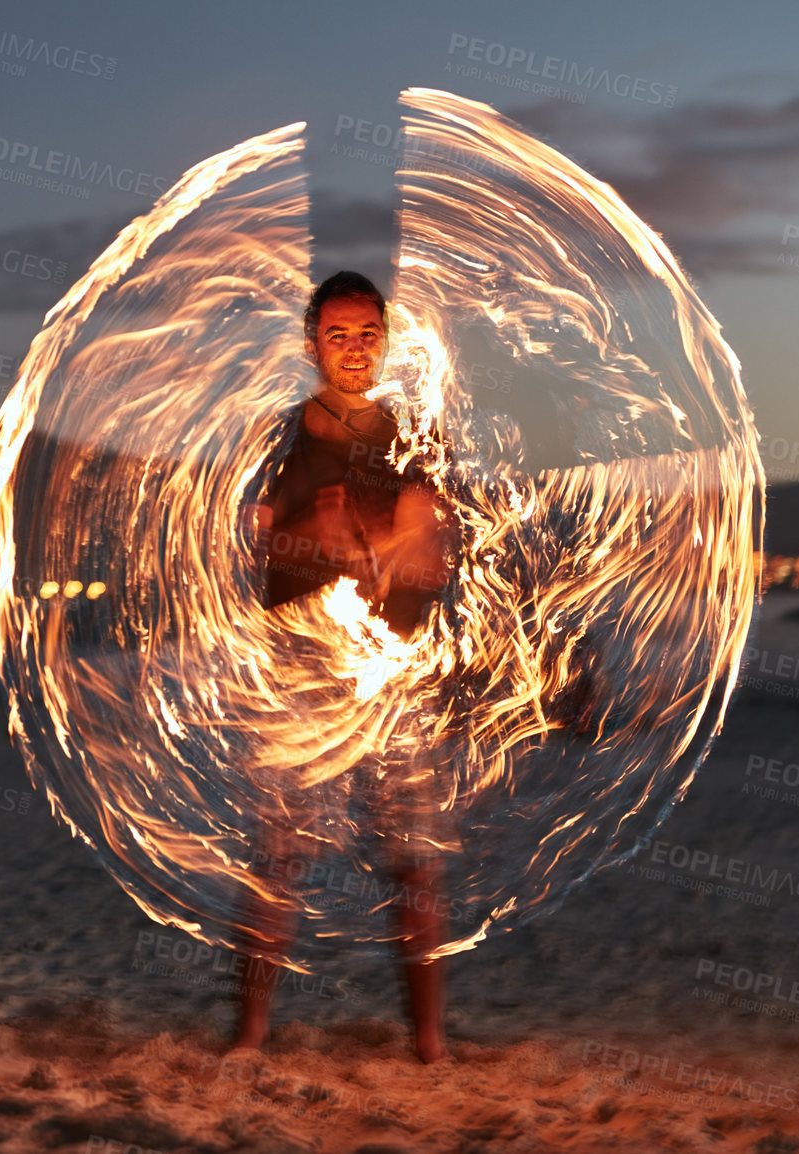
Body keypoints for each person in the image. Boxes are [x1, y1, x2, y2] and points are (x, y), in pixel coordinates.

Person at [235, 271, 457, 1064]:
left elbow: (432, 545)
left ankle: (429, 1042)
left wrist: (388, 544)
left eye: (367, 334)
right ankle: (250, 1035)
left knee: (414, 862)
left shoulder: (412, 439)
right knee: (279, 855)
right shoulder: (278, 437)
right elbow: (256, 538)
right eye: (339, 335)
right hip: (301, 663)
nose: (355, 349)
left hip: (389, 668)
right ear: (312, 344)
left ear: (385, 340)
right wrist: (312, 529)